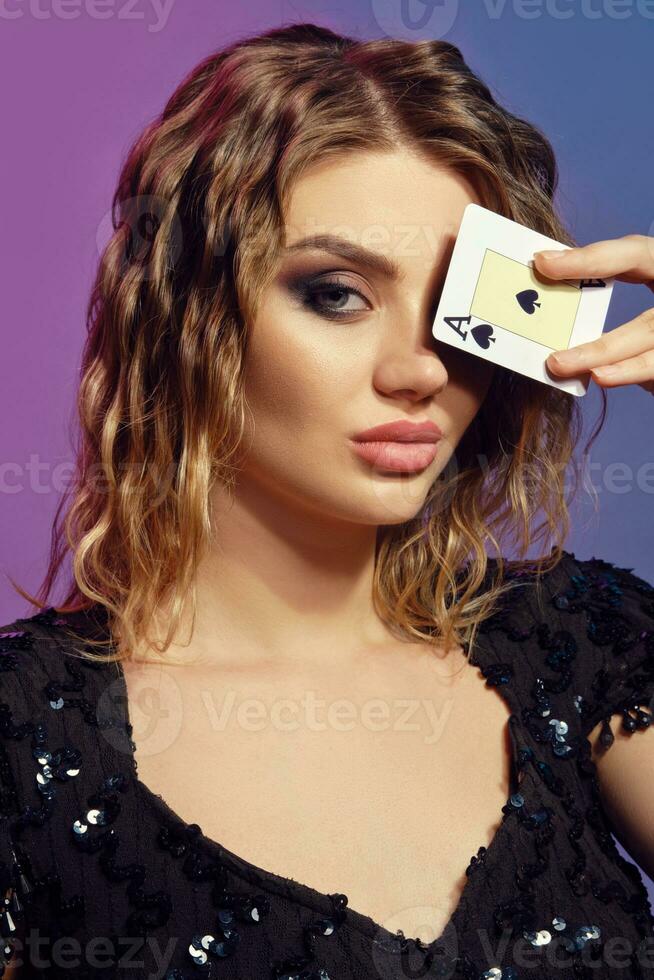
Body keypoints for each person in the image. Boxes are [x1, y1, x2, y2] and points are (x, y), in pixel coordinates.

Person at [1, 21, 653, 980]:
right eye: (338, 293)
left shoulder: (577, 642)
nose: (420, 370)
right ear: (189, 317)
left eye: (453, 310)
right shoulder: (25, 736)